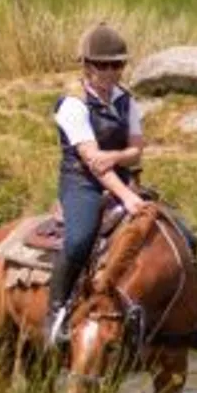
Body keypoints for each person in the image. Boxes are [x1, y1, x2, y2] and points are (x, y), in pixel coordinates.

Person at [45, 24, 149, 347]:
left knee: (183, 234)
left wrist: (117, 156)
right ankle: (56, 312)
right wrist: (128, 196)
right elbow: (93, 163)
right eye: (102, 65)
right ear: (87, 66)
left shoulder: (128, 102)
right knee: (79, 240)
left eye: (117, 65)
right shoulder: (72, 105)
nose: (110, 72)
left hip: (122, 178)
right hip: (82, 184)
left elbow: (135, 152)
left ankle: (189, 315)